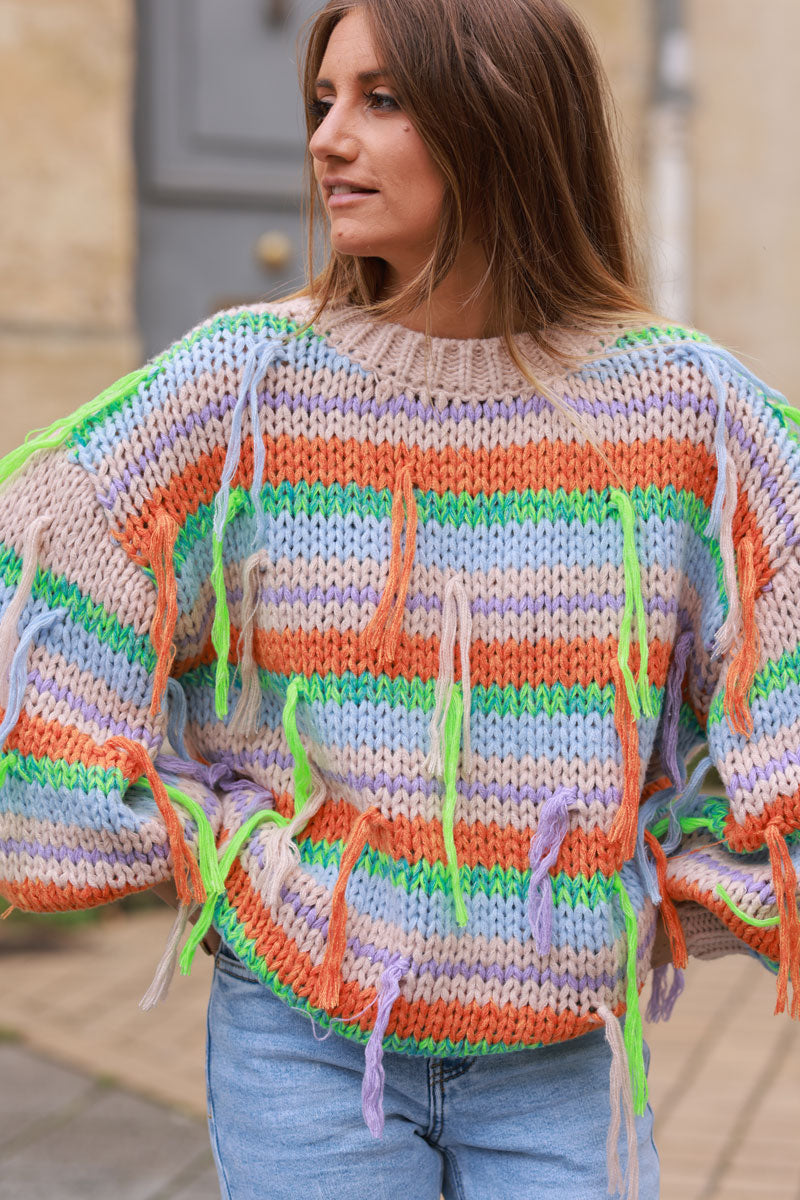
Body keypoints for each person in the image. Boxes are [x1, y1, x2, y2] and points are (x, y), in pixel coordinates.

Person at [1, 0, 798, 1197]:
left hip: (557, 1052)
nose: (327, 136)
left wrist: (684, 880)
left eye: (379, 99)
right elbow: (54, 549)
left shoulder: (683, 409)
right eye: (321, 100)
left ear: (505, 118)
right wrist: (191, 837)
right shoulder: (248, 379)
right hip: (301, 1037)